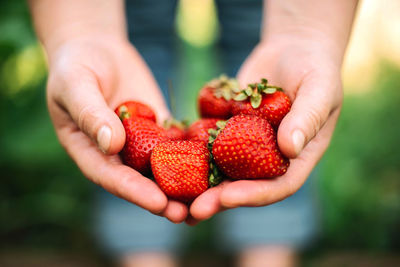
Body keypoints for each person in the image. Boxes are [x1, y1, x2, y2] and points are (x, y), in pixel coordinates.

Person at [28, 0, 358, 266]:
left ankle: (266, 253)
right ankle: (146, 255)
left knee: (150, 34)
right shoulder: (199, 139)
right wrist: (83, 34)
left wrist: (306, 33)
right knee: (137, 41)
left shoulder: (234, 129)